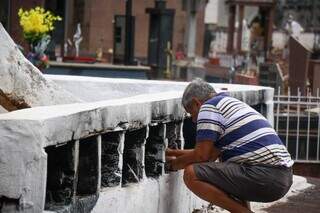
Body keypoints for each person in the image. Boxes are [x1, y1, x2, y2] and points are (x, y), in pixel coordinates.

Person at [166, 79, 293, 213]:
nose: (193, 120)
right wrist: (173, 153)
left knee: (191, 174)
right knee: (227, 164)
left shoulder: (209, 107)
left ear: (197, 103)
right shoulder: (229, 104)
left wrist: (172, 165)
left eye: (192, 113)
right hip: (282, 177)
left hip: (264, 175)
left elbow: (201, 156)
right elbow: (210, 155)